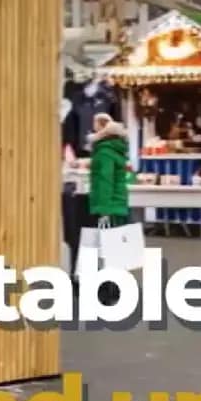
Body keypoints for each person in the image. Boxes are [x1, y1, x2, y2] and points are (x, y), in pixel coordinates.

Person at [87, 113, 129, 301]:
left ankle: (108, 293)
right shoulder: (117, 150)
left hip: (108, 206)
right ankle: (117, 289)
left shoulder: (103, 151)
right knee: (116, 250)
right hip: (118, 204)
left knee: (105, 250)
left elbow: (105, 181)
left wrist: (102, 209)